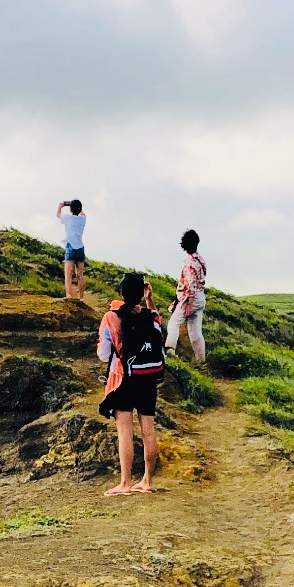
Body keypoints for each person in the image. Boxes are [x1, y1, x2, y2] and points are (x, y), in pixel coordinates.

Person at [97, 271, 166, 496]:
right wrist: (149, 299)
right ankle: (147, 480)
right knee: (148, 430)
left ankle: (125, 483)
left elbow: (102, 354)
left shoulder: (111, 317)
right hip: (147, 378)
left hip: (124, 379)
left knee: (125, 431)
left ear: (122, 292)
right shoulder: (151, 316)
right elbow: (158, 322)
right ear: (141, 292)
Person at [166, 229, 207, 363]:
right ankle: (201, 361)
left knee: (174, 322)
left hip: (190, 299)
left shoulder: (189, 264)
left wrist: (188, 304)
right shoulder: (201, 260)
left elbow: (191, 286)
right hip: (201, 298)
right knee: (195, 333)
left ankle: (170, 349)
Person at [56, 198, 87, 299]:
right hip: (80, 247)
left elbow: (58, 214)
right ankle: (81, 297)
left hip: (71, 247)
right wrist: (75, 206)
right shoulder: (83, 219)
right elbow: (82, 213)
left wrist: (62, 205)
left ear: (71, 209)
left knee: (68, 274)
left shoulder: (68, 218)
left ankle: (68, 295)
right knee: (80, 275)